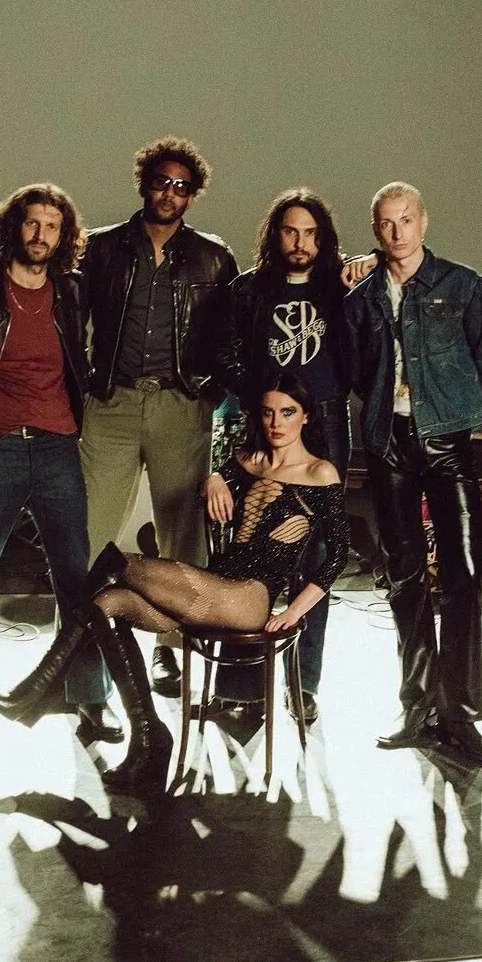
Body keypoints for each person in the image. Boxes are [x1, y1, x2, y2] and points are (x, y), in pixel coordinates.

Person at [0, 374, 348, 792]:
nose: (276, 422)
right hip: (213, 589)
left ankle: (43, 685)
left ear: (305, 417)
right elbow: (211, 483)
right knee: (106, 603)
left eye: (287, 412)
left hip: (249, 599)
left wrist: (291, 612)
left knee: (116, 563)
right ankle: (150, 740)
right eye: (268, 411)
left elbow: (338, 556)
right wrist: (214, 477)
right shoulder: (248, 460)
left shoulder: (319, 473)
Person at [0, 183, 119, 751]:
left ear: (64, 236)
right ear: (13, 228)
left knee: (76, 582)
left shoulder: (72, 293)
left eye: (52, 226)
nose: (41, 235)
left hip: (59, 446)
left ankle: (89, 699)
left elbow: (82, 361)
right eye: (31, 223)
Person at [343, 182, 482, 767]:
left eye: (406, 220)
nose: (397, 232)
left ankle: (460, 715)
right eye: (386, 223)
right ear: (376, 229)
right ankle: (416, 705)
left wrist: (459, 412)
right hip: (388, 443)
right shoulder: (361, 297)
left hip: (446, 443)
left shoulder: (462, 285)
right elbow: (356, 370)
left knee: (464, 574)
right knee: (403, 574)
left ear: (424, 222)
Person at [79, 136, 238, 698]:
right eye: (160, 182)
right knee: (90, 531)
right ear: (143, 183)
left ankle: (171, 651)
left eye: (180, 187)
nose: (168, 193)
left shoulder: (213, 257)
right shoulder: (99, 249)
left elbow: (228, 336)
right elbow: (73, 325)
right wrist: (85, 391)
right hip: (113, 402)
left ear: (192, 196)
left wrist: (209, 393)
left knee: (183, 535)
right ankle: (83, 655)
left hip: (180, 402)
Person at [205, 189, 355, 719]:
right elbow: (223, 355)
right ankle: (242, 687)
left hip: (325, 423)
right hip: (264, 424)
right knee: (250, 554)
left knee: (316, 556)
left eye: (311, 232)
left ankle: (303, 684)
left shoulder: (341, 290)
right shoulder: (247, 291)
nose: (301, 242)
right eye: (291, 231)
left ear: (324, 238)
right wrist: (261, 402)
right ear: (275, 235)